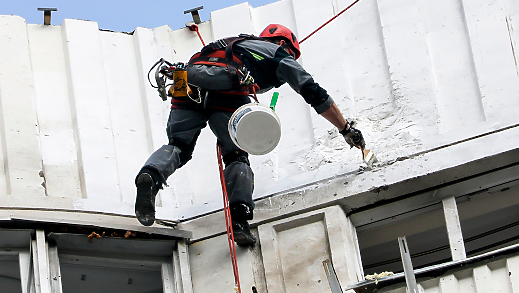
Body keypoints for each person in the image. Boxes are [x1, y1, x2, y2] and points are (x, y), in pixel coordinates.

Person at [135, 24, 366, 246]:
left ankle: (150, 176)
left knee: (178, 146)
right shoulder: (278, 53)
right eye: (292, 55)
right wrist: (345, 129)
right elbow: (312, 90)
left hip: (187, 83)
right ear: (283, 44)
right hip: (228, 93)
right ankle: (240, 219)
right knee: (236, 155)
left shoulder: (233, 44)